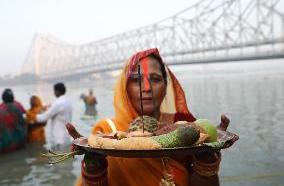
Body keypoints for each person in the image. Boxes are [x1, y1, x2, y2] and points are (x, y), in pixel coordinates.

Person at [68, 48, 238, 186]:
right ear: (124, 88)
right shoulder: (106, 132)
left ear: (166, 86)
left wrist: (207, 154)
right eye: (136, 80)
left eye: (155, 79)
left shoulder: (186, 127)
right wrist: (93, 164)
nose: (146, 88)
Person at [36, 83, 73, 147]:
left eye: (54, 91)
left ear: (57, 91)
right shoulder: (68, 101)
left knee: (58, 156)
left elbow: (44, 117)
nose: (54, 92)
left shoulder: (58, 102)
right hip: (67, 137)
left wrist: (33, 115)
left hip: (59, 139)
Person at [0, 89, 27, 153]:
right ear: (13, 98)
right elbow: (22, 123)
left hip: (3, 145)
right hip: (17, 143)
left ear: (3, 98)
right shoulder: (16, 107)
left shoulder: (1, 107)